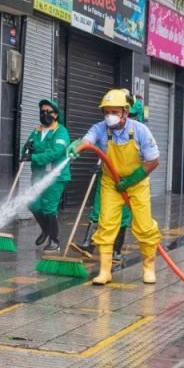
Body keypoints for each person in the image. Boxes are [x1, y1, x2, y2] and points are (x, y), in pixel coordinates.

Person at [72, 88, 162, 285]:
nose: (109, 116)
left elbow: (153, 161)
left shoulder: (140, 130)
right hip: (111, 182)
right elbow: (88, 139)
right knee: (106, 224)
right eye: (106, 112)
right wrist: (78, 146)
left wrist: (130, 181)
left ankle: (148, 267)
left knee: (144, 226)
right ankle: (105, 271)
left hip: (136, 183)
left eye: (114, 112)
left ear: (125, 112)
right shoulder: (100, 129)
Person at [22, 98, 72, 252]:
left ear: (56, 115)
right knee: (33, 203)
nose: (45, 114)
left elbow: (55, 152)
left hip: (55, 177)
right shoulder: (36, 131)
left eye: (48, 112)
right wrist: (26, 151)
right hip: (38, 175)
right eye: (42, 112)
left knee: (49, 209)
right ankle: (46, 229)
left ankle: (54, 241)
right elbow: (26, 148)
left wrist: (34, 157)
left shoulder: (61, 131)